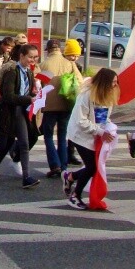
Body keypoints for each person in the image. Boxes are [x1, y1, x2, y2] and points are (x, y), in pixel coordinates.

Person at [0, 43, 41, 189]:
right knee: (2, 143)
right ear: (22, 56)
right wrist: (28, 99)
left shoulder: (29, 72)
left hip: (22, 111)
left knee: (24, 143)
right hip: (8, 112)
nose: (33, 60)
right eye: (30, 57)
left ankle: (26, 177)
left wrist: (35, 95)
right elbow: (8, 96)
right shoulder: (12, 72)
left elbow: (26, 92)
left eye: (35, 57)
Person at [62, 68, 120, 210]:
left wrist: (108, 128)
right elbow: (81, 121)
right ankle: (75, 195)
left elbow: (103, 118)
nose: (115, 85)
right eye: (113, 82)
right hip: (79, 134)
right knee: (92, 167)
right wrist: (100, 131)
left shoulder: (108, 95)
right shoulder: (87, 95)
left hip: (94, 135)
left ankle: (70, 177)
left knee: (93, 166)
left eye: (116, 82)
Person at [39, 39, 83, 179]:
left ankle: (54, 165)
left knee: (48, 136)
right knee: (62, 136)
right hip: (66, 104)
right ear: (60, 49)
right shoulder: (69, 63)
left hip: (49, 106)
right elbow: (80, 81)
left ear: (48, 50)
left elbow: (38, 84)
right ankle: (63, 166)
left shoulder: (43, 64)